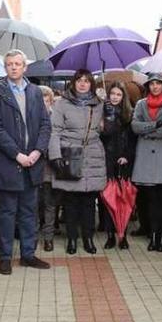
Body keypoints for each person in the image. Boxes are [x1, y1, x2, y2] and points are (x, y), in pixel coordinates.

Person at [0, 49, 52, 275]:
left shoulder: (34, 91)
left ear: (25, 67)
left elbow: (45, 124)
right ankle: (5, 257)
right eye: (10, 64)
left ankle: (28, 255)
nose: (14, 67)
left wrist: (37, 151)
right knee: (7, 213)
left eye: (18, 64)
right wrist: (17, 154)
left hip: (32, 162)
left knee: (29, 212)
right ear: (5, 68)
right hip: (8, 162)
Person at [49, 69, 107, 255]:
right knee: (71, 201)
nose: (83, 84)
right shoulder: (62, 103)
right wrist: (55, 155)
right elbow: (55, 131)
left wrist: (109, 111)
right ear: (73, 83)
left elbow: (107, 128)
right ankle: (72, 239)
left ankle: (88, 238)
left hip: (92, 154)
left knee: (89, 201)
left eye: (87, 81)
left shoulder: (98, 104)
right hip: (70, 153)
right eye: (79, 80)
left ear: (92, 84)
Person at [131, 73, 162, 252]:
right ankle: (153, 235)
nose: (155, 87)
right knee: (150, 200)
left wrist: (147, 130)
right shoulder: (140, 104)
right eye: (152, 84)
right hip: (145, 157)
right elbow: (135, 126)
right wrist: (154, 125)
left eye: (159, 84)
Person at [99, 81, 136, 249]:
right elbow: (103, 135)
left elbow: (132, 139)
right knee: (108, 199)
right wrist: (106, 115)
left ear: (123, 97)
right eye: (112, 94)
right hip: (106, 159)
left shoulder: (129, 114)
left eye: (118, 94)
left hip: (123, 160)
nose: (115, 97)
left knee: (123, 199)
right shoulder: (103, 111)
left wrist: (126, 156)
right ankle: (110, 235)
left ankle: (123, 234)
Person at [38, 86, 60, 251]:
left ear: (51, 101)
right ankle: (31, 237)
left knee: (49, 204)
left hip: (49, 167)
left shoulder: (56, 118)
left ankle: (48, 237)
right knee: (32, 205)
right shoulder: (31, 117)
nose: (43, 104)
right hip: (33, 166)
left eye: (46, 101)